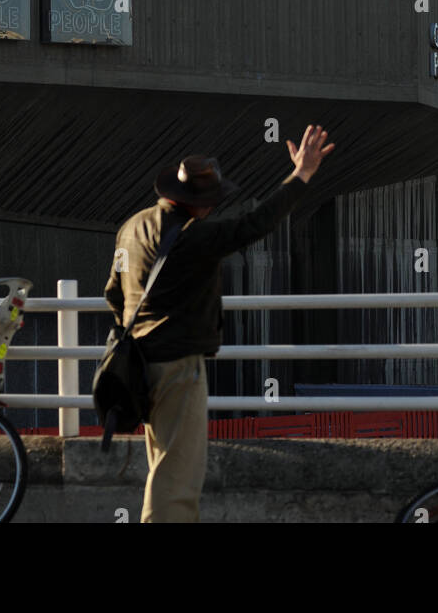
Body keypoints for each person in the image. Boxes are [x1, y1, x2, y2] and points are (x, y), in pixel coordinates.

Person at [104, 124, 335, 523]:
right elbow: (256, 223)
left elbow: (113, 294)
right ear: (201, 202)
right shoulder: (194, 238)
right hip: (177, 368)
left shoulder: (132, 228)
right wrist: (301, 176)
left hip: (138, 364)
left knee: (163, 462)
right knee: (178, 477)